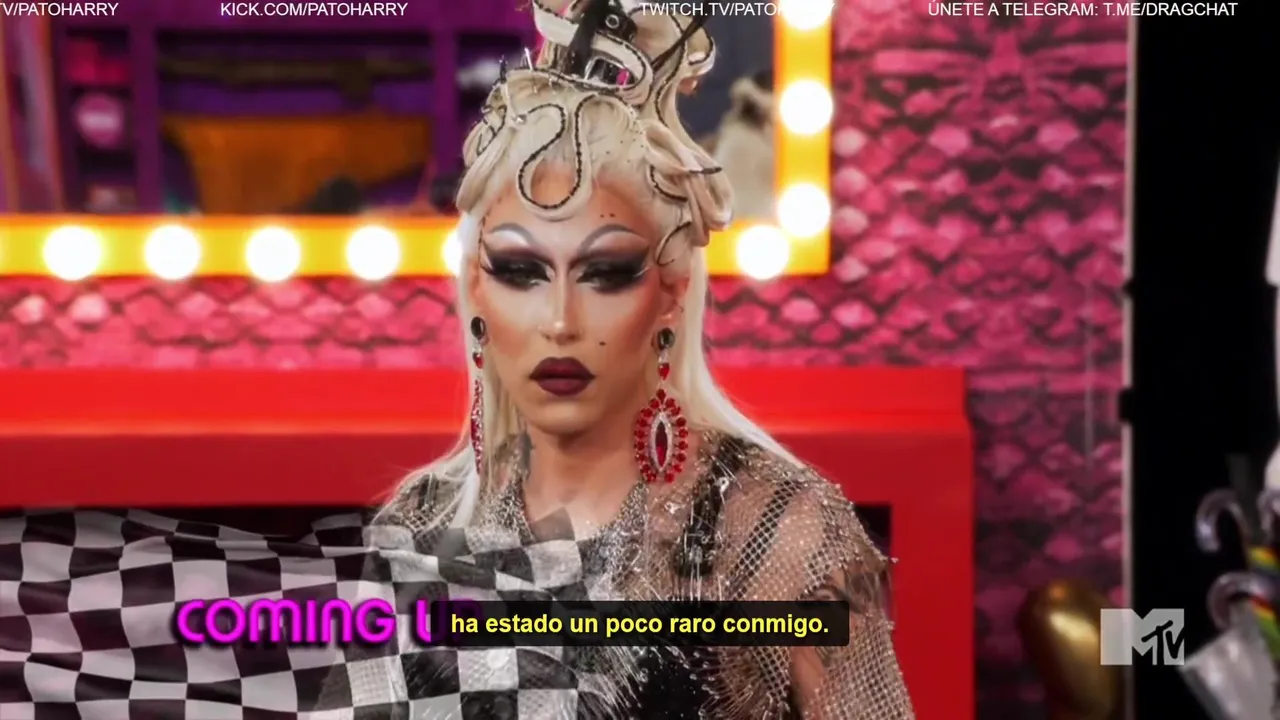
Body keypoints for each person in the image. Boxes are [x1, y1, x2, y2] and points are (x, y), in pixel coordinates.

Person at [317, 0, 914, 717]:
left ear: (671, 292)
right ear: (476, 288)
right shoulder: (417, 528)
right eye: (521, 272)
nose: (560, 322)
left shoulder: (783, 530)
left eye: (605, 274)